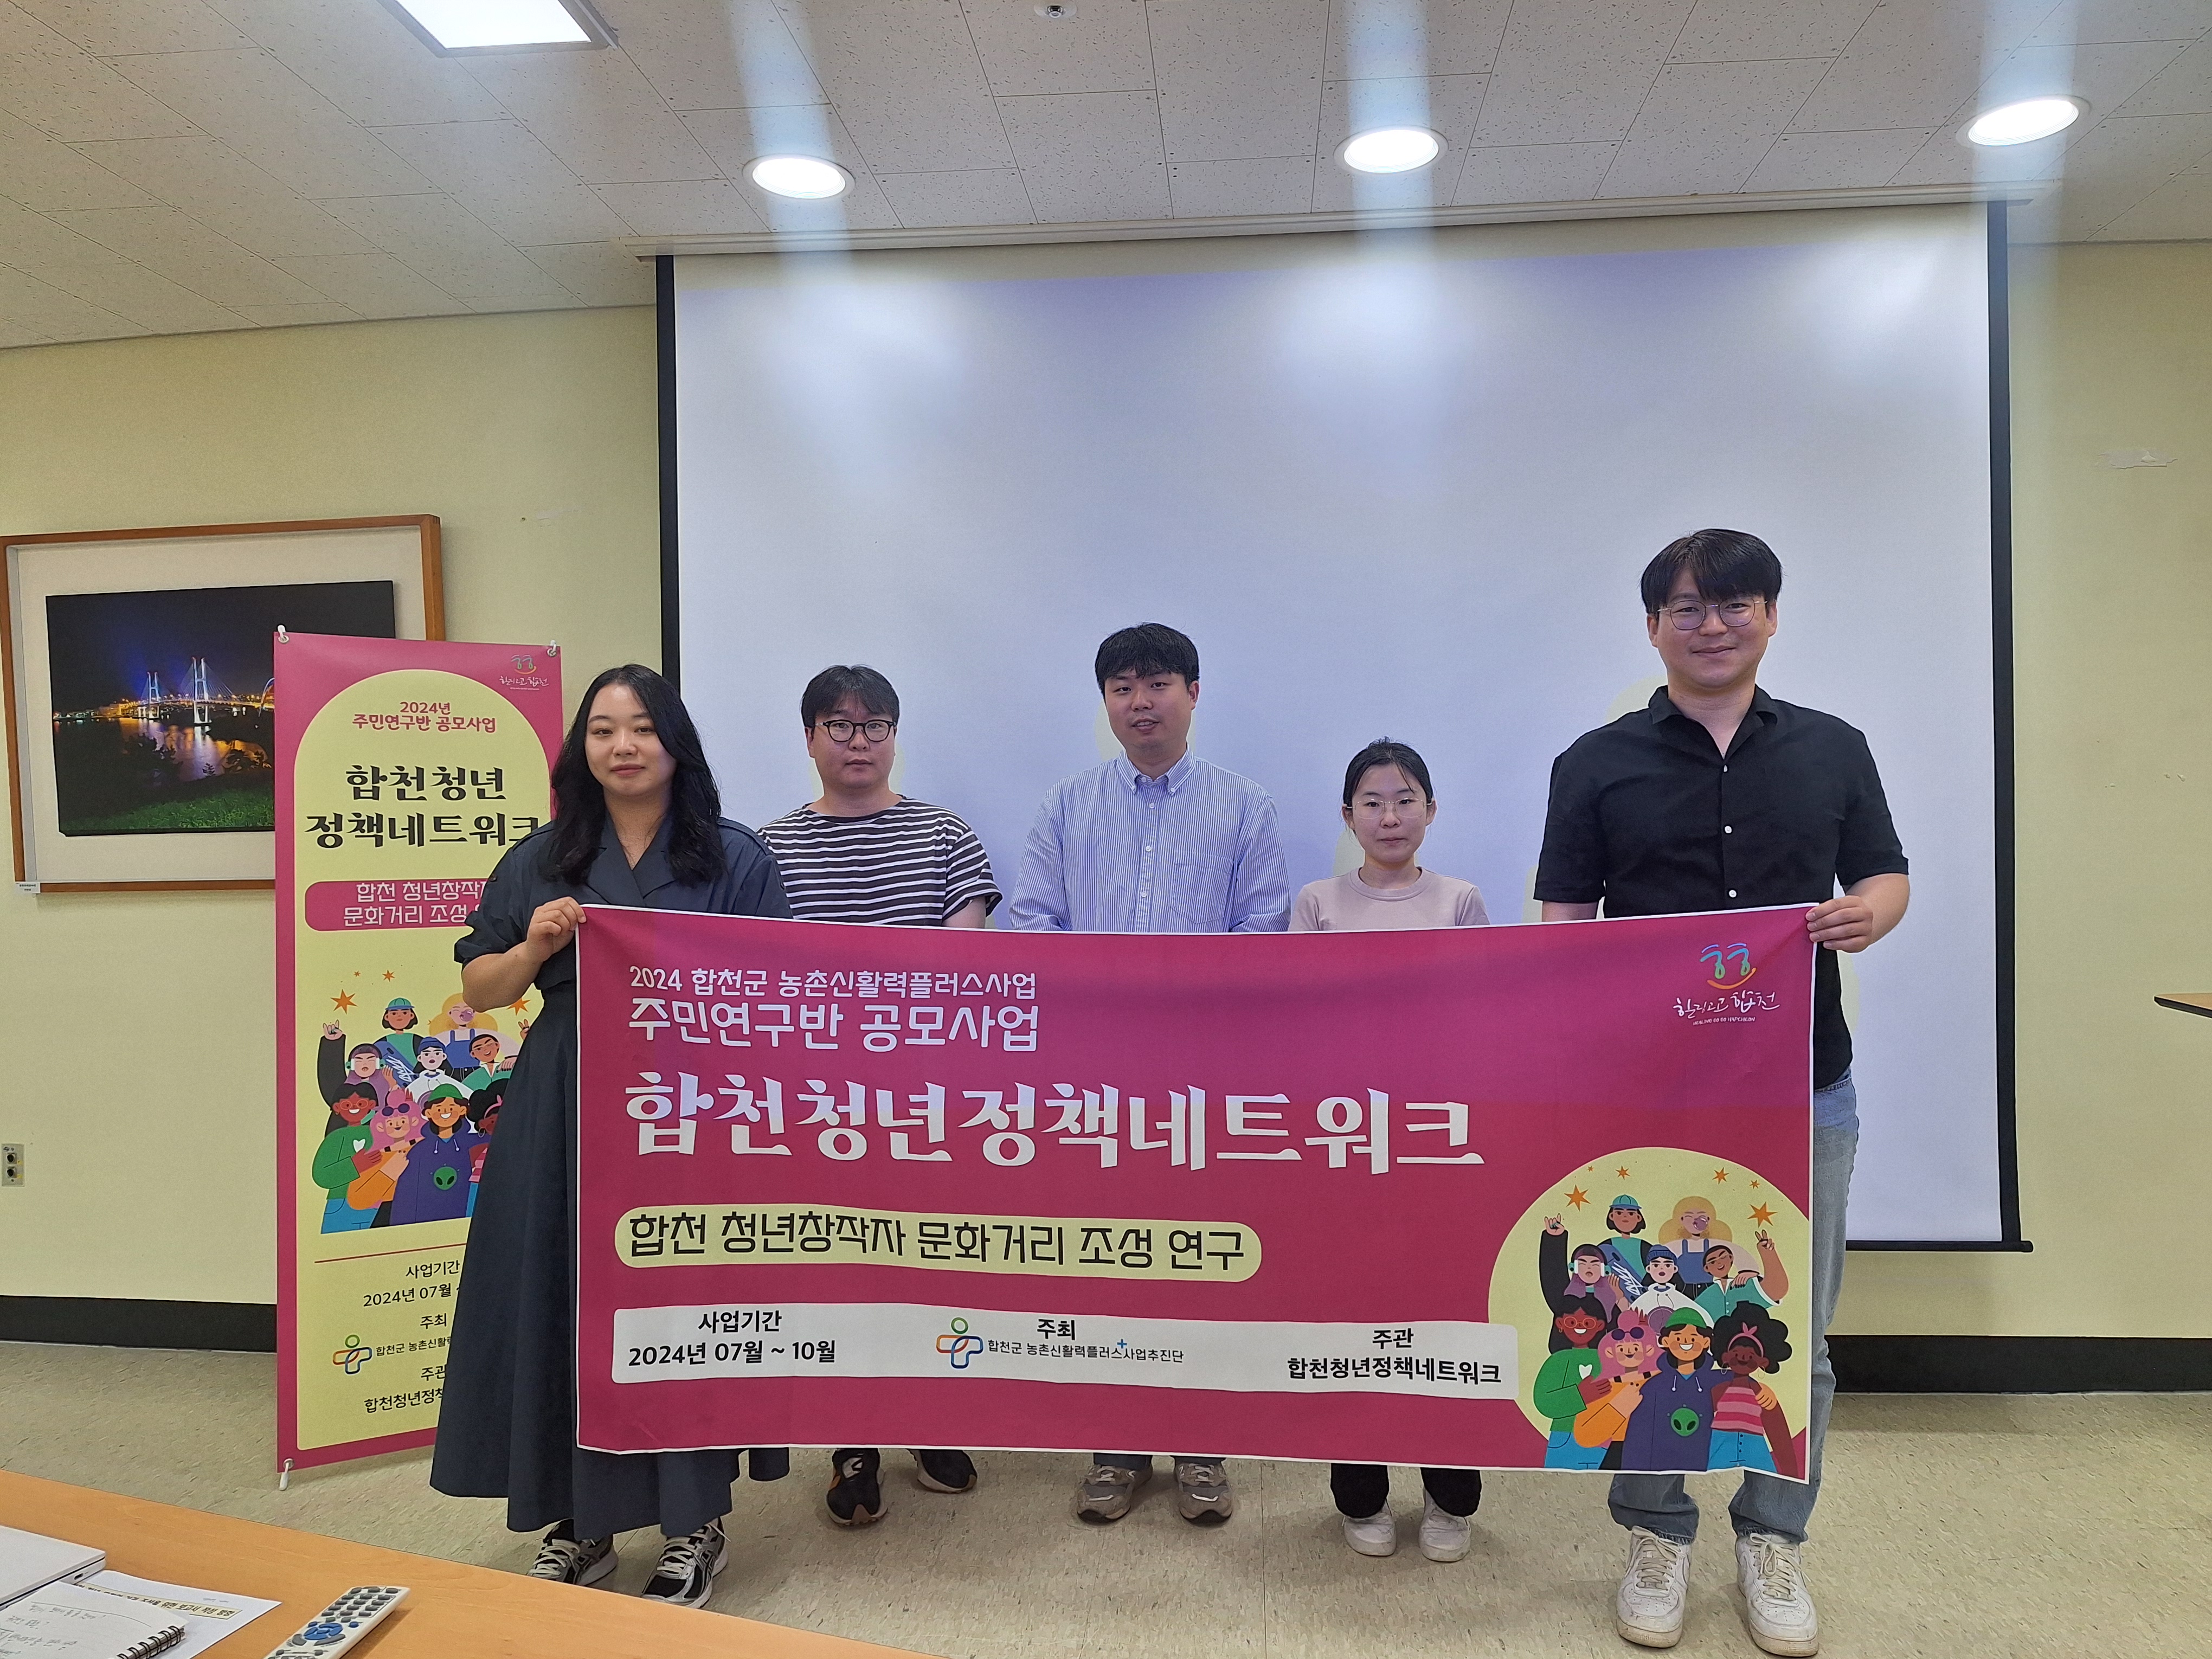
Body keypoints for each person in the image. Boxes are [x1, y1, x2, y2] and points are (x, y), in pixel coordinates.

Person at [1537, 528, 1910, 1655]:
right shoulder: (1593, 763)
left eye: (1735, 603)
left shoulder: (1834, 748)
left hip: (1804, 1086)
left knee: (1800, 1333)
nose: (1713, 624)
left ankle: (1774, 1537)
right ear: (1654, 627)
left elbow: (1885, 874)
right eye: (1688, 607)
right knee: (1646, 1322)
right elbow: (1566, 923)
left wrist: (1870, 914)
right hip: (1655, 1101)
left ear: (1771, 616)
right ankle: (1656, 1531)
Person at [430, 664, 795, 1609]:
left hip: (692, 1106)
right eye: (603, 730)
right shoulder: (542, 857)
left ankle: (694, 1523)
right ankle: (579, 1521)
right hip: (565, 1099)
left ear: (676, 743)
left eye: (641, 728)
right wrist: (534, 947)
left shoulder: (734, 855)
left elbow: (780, 992)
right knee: (563, 1296)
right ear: (581, 748)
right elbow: (482, 989)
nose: (623, 746)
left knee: (681, 1301)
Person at [1006, 622, 1289, 1526]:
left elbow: (1262, 933)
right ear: (1106, 702)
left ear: (1193, 694)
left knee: (1201, 1259)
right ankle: (1116, 1448)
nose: (1140, 702)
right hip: (1097, 1081)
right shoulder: (1067, 805)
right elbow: (1035, 925)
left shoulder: (1244, 806)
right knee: (1109, 1260)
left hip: (1205, 1079)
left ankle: (1202, 1446)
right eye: (1122, 687)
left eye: (1158, 683)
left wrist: (1182, 1007)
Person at [758, 663, 1000, 1527]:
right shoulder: (767, 848)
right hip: (817, 1105)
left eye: (874, 726)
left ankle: (929, 1419)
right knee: (836, 1271)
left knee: (929, 1263)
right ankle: (852, 1439)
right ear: (810, 737)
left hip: (927, 1101)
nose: (857, 741)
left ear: (895, 735)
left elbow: (961, 967)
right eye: (839, 725)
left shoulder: (945, 835)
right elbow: (757, 978)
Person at [1291, 738, 1487, 1560]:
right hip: (1344, 1147)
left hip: (1438, 1145)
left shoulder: (1460, 899)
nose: (1390, 816)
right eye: (1372, 802)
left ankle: (1451, 1498)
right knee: (1353, 1315)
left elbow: (1483, 1017)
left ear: (1431, 811)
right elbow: (1299, 1022)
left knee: (1446, 1314)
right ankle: (1361, 1495)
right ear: (1348, 817)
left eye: (1406, 800)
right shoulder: (1317, 902)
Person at [1708, 1309, 1798, 1478]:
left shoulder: (1761, 1393)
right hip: (1720, 1444)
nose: (1743, 1359)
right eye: (1737, 1354)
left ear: (1763, 1361)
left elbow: (1778, 1431)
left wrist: (1790, 1471)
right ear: (1726, 1356)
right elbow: (1700, 1411)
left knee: (1768, 1476)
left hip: (1754, 1445)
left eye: (1750, 1356)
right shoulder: (1719, 1388)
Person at [1534, 1295, 1612, 1470]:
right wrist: (1580, 1396)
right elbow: (1543, 1401)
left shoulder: (1607, 1358)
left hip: (1602, 1435)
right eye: (1572, 1322)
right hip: (1565, 1434)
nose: (1580, 1327)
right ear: (1560, 1324)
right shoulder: (1558, 1360)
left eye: (1588, 1323)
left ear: (1600, 1326)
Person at [1692, 1237, 1790, 1324]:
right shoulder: (1705, 1295)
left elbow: (1777, 1290)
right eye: (1713, 1262)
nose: (1719, 1263)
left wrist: (1768, 1254)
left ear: (1731, 1258)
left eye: (1723, 1257)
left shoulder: (1745, 1284)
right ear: (1707, 1268)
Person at [1658, 1197, 1731, 1289]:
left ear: (1708, 1219)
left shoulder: (1714, 1245)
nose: (1695, 1222)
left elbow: (1737, 1255)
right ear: (1682, 1220)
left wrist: (1745, 1272)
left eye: (1701, 1217)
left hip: (1708, 1289)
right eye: (1689, 1217)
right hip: (1683, 1289)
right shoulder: (1675, 1245)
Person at [1630, 1246, 1698, 1323]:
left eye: (1667, 1265)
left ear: (1675, 1269)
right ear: (1649, 1269)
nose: (1662, 1269)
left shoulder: (1681, 1299)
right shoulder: (1644, 1300)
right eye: (1656, 1265)